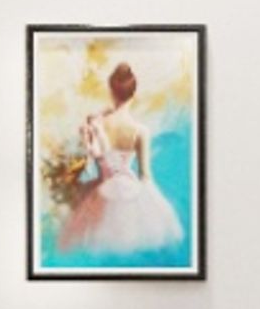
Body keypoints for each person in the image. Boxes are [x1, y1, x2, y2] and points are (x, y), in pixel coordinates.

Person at [56, 59, 186, 263]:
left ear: (111, 91)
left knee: (90, 246)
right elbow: (145, 176)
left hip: (100, 191)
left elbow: (91, 158)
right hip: (130, 191)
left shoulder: (96, 124)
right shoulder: (140, 131)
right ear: (133, 94)